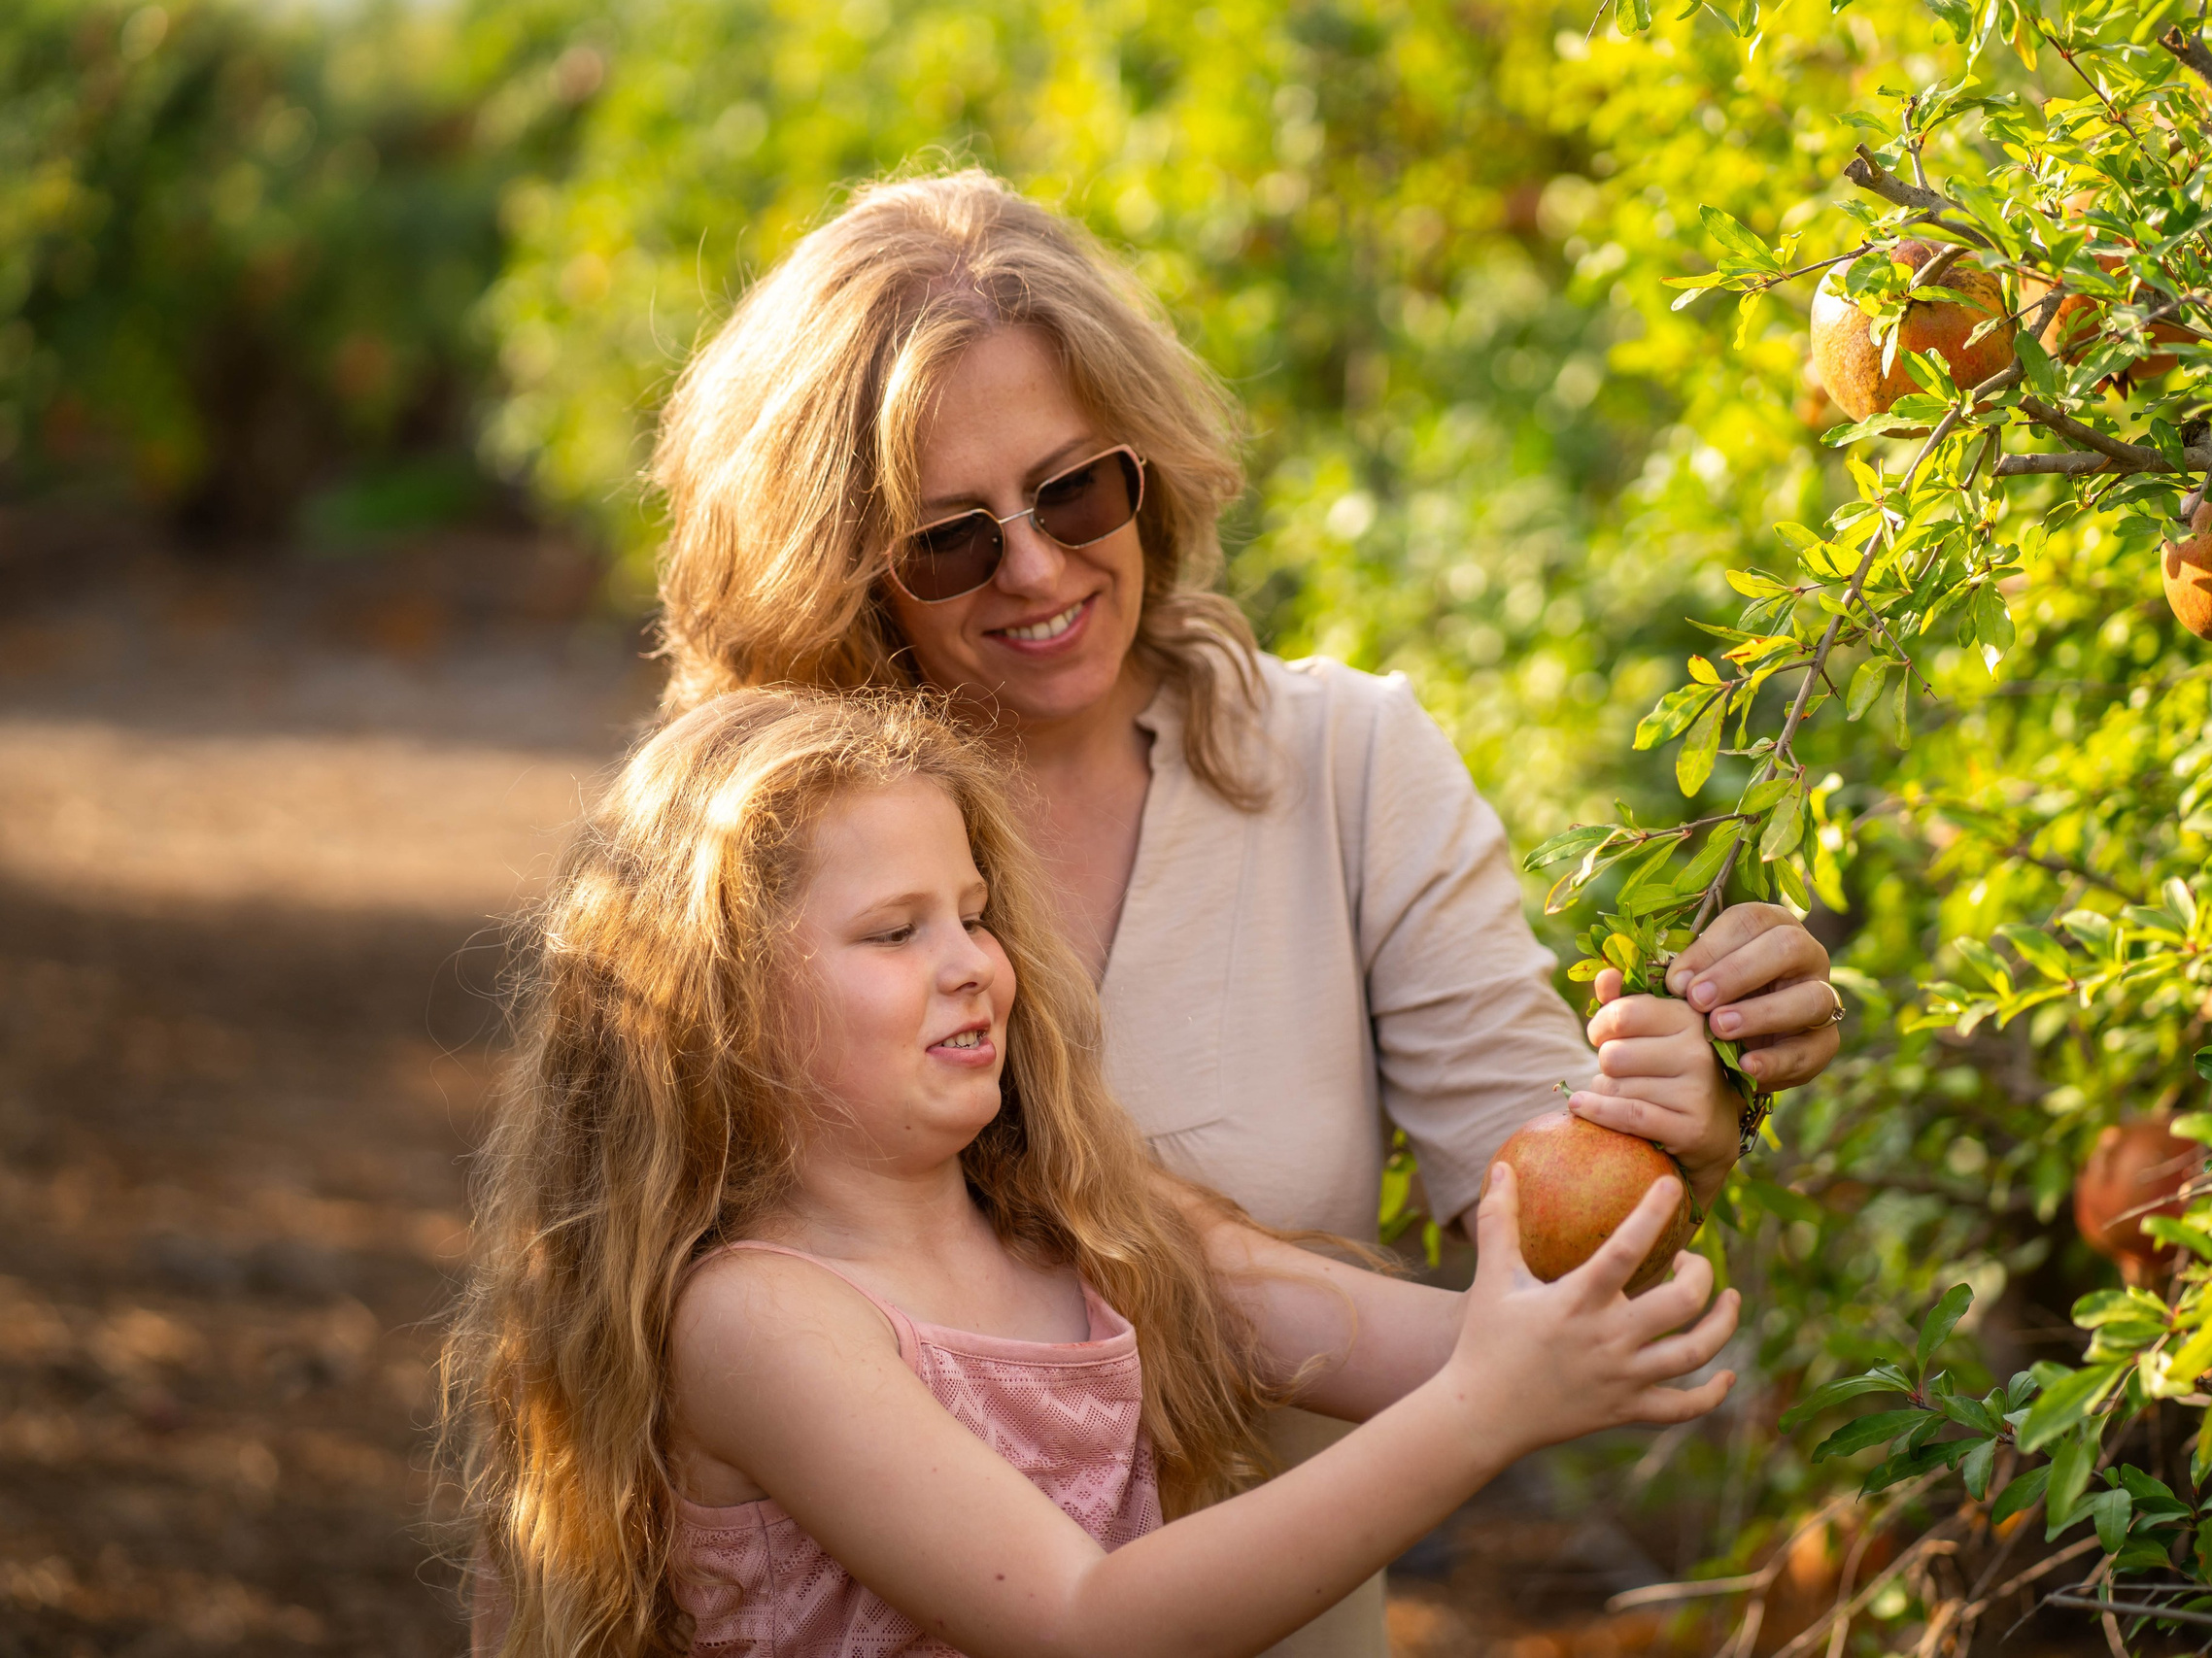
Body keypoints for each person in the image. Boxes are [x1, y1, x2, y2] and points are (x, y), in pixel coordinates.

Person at [647, 168, 1842, 1654]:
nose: (1035, 565)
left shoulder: (1339, 765)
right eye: (949, 536)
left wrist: (1688, 1103)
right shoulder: (763, 856)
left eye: (1077, 488)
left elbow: (1543, 1265)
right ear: (838, 562)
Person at [445, 689, 1741, 1658]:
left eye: (975, 912)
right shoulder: (762, 1320)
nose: (969, 962)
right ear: (710, 1003)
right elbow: (1085, 1623)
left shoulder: (1091, 1231)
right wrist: (1487, 1412)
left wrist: (1669, 1113)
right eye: (894, 931)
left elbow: (1513, 1342)